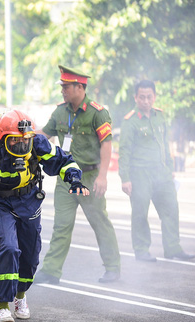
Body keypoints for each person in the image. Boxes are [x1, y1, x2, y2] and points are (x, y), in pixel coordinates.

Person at [0, 109, 88, 322]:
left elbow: (64, 160)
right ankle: (3, 306)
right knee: (9, 248)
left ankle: (20, 296)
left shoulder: (37, 142)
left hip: (29, 203)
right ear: (2, 138)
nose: (21, 145)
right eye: (15, 141)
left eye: (25, 141)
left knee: (30, 256)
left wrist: (75, 180)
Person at [34, 65, 121, 284]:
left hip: (89, 179)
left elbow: (106, 144)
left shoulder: (97, 113)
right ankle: (51, 271)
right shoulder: (60, 111)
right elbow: (44, 135)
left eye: (66, 87)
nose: (62, 90)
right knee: (61, 226)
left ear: (79, 87)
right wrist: (26, 133)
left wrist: (102, 176)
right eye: (62, 86)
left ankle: (113, 268)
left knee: (100, 222)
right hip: (65, 178)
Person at [119, 80, 195, 262]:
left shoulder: (159, 116)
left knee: (171, 209)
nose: (146, 101)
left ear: (154, 97)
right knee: (140, 213)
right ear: (136, 97)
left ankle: (173, 248)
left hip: (161, 172)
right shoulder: (130, 122)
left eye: (149, 97)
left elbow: (164, 143)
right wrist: (125, 178)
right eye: (142, 97)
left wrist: (169, 167)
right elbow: (124, 150)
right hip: (140, 174)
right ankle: (142, 250)